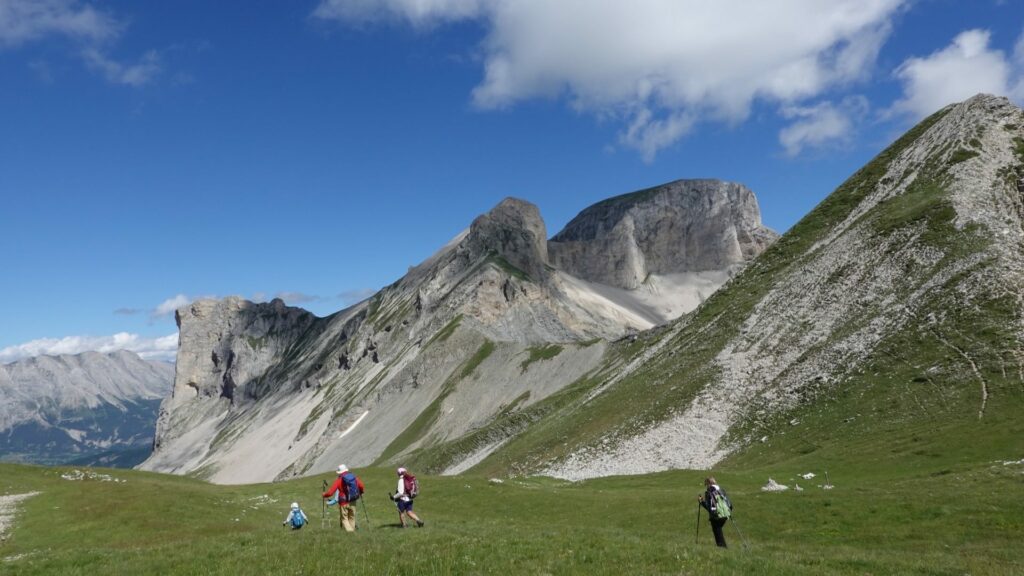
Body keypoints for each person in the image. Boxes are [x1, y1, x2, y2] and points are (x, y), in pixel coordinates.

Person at [322, 464, 365, 532]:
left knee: (344, 518)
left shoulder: (339, 480)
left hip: (343, 502)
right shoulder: (353, 477)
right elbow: (361, 486)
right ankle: (352, 532)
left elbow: (330, 492)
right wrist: (361, 492)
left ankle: (350, 533)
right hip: (353, 500)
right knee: (352, 517)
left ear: (339, 472)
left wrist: (324, 495)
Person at [698, 476, 732, 548]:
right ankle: (722, 547)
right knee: (718, 530)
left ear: (708, 483)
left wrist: (701, 502)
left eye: (706, 484)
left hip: (716, 515)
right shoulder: (721, 490)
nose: (706, 486)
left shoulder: (709, 492)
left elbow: (709, 507)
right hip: (725, 514)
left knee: (717, 531)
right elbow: (728, 502)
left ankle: (722, 548)